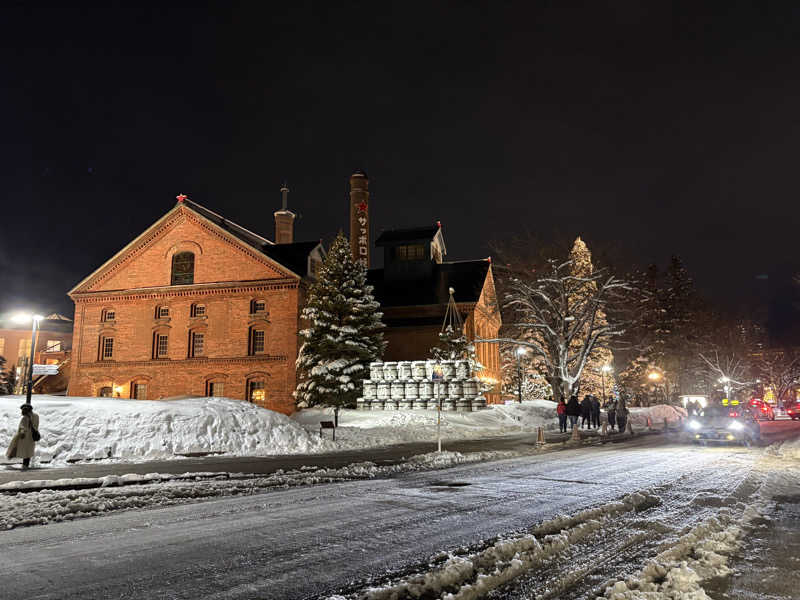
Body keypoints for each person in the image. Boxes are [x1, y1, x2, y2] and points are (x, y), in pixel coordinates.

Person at [6, 403, 39, 470]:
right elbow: (36, 425)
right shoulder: (36, 416)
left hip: (24, 437)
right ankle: (25, 464)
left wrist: (22, 432)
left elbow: (22, 427)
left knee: (22, 450)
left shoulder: (25, 418)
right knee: (28, 451)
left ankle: (24, 464)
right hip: (32, 437)